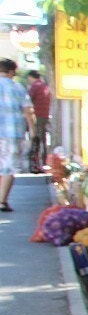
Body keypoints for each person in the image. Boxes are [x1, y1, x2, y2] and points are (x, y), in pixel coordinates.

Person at [0, 59, 32, 211]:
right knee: (8, 167)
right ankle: (2, 200)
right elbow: (27, 111)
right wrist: (32, 130)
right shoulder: (18, 87)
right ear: (11, 71)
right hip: (12, 133)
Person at [25, 70, 50, 172]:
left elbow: (27, 101)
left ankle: (36, 162)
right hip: (44, 115)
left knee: (36, 139)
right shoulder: (45, 86)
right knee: (43, 139)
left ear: (31, 77)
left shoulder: (35, 87)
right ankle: (44, 160)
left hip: (36, 115)